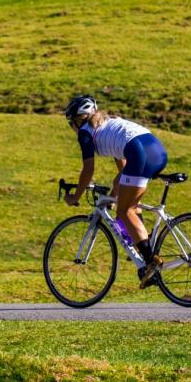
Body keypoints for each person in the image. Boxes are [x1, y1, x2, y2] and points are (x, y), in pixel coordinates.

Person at [63, 94, 168, 288]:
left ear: (79, 120)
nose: (72, 127)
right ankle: (143, 246)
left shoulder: (85, 132)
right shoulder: (109, 124)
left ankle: (150, 262)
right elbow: (123, 170)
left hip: (139, 151)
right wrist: (112, 195)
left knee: (123, 211)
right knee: (130, 206)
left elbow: (88, 170)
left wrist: (75, 196)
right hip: (156, 149)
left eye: (71, 122)